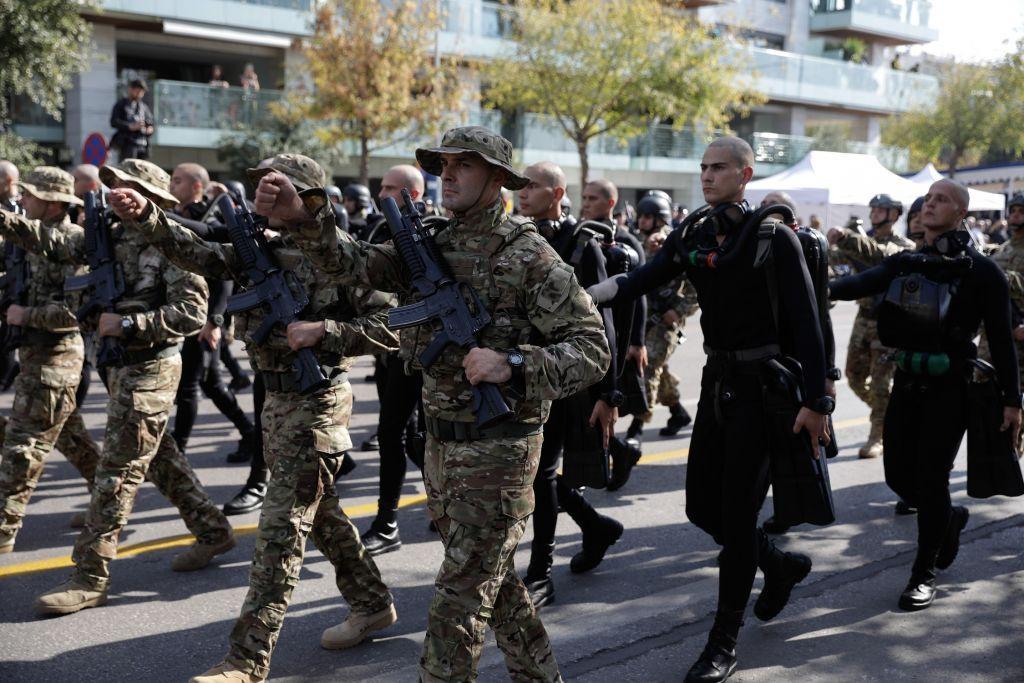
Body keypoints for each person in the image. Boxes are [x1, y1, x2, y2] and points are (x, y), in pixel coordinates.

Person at [262, 126, 610, 681]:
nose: (446, 174)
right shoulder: (432, 243)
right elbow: (352, 265)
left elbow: (593, 349)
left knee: (455, 610)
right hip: (441, 447)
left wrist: (514, 364)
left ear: (497, 179)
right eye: (442, 164)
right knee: (496, 592)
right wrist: (303, 215)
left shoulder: (528, 253)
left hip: (500, 453)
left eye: (463, 166)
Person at [111, 153, 399, 683]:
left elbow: (395, 323)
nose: (265, 195)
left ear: (309, 195)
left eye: (279, 187)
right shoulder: (257, 249)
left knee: (279, 531)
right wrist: (146, 216)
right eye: (261, 187)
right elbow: (197, 253)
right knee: (322, 516)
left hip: (320, 400)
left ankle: (247, 659)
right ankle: (372, 601)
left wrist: (326, 333)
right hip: (274, 402)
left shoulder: (344, 256)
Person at [588, 137, 831, 682]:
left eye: (719, 168)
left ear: (745, 174)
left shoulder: (773, 237)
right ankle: (780, 563)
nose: (707, 176)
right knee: (704, 509)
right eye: (702, 168)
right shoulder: (695, 234)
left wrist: (819, 402)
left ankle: (723, 642)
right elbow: (640, 280)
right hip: (719, 383)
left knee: (739, 518)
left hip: (765, 392)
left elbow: (810, 325)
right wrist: (585, 294)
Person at [27, 158, 234, 616]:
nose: (117, 193)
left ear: (153, 197)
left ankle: (89, 577)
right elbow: (61, 254)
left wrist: (130, 323)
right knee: (162, 460)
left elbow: (190, 313)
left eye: (127, 186)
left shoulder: (175, 245)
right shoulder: (109, 238)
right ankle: (213, 531)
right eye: (115, 186)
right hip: (117, 368)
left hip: (153, 369)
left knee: (115, 476)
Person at [829, 179, 1021, 611]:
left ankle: (923, 572)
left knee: (932, 479)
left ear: (961, 213)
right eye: (928, 199)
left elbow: (1003, 340)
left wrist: (1013, 401)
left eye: (941, 201)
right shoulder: (905, 262)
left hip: (951, 389)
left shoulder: (982, 271)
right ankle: (948, 520)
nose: (930, 206)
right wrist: (811, 286)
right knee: (899, 477)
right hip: (907, 383)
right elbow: (857, 283)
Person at [516, 160, 624, 608]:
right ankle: (596, 527)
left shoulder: (583, 244)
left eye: (533, 186)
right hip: (523, 371)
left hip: (567, 377)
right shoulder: (515, 237)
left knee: (541, 475)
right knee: (532, 474)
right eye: (520, 186)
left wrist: (608, 394)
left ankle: (540, 572)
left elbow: (604, 321)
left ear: (557, 193)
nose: (523, 193)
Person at [0, 168, 102, 552]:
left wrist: (27, 316)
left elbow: (76, 313)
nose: (22, 200)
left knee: (22, 447)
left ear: (54, 202)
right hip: (31, 355)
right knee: (72, 437)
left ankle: (4, 528)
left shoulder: (74, 242)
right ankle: (103, 495)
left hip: (57, 358)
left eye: (30, 195)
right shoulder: (24, 238)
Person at [166, 162, 258, 462]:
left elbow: (224, 275)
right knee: (211, 384)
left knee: (193, 384)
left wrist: (215, 320)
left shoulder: (215, 217)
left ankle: (177, 450)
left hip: (207, 315)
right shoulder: (181, 214)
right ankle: (249, 434)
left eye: (178, 181)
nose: (172, 185)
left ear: (196, 186)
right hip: (187, 309)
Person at [358, 164, 426, 556]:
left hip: (425, 351)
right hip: (389, 349)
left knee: (417, 436)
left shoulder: (429, 230)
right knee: (396, 434)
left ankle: (389, 521)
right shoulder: (380, 229)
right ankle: (388, 522)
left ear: (412, 195)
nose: (380, 193)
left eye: (389, 187)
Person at [828, 193, 913, 460]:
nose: (874, 213)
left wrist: (846, 237)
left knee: (880, 382)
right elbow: (835, 260)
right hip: (863, 318)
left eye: (881, 209)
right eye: (873, 209)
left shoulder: (902, 246)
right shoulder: (863, 241)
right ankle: (887, 414)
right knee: (853, 377)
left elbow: (877, 255)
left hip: (886, 321)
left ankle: (878, 435)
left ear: (895, 214)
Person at [627, 192, 698, 445]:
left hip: (665, 322)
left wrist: (678, 311)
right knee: (658, 367)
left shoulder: (674, 242)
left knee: (648, 368)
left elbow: (694, 286)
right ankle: (678, 413)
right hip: (642, 319)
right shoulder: (639, 241)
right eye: (641, 216)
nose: (642, 221)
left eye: (648, 216)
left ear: (659, 219)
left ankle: (636, 427)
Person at [109, 78, 154, 161]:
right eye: (138, 91)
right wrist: (130, 126)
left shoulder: (144, 107)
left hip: (143, 144)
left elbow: (150, 122)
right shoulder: (121, 104)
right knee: (128, 168)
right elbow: (114, 122)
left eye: (142, 92)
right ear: (131, 89)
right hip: (128, 143)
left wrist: (150, 128)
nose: (140, 94)